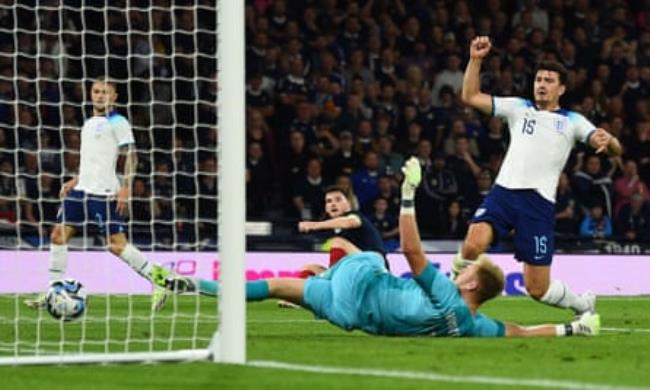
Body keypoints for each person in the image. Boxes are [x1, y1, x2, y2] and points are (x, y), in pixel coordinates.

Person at [155, 158, 600, 337]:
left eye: (466, 269)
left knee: (358, 255)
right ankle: (183, 285)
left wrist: (408, 193)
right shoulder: (470, 325)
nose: (460, 269)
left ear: (469, 280)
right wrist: (570, 330)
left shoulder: (447, 293)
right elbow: (519, 332)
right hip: (348, 315)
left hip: (363, 278)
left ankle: (184, 285)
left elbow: (410, 252)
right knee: (276, 287)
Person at [457, 36, 623, 316]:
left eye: (548, 80)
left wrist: (611, 140)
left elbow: (610, 146)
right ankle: (452, 298)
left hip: (538, 204)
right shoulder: (518, 108)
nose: (542, 85)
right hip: (504, 193)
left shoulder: (572, 121)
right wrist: (475, 60)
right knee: (473, 243)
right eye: (538, 79)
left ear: (562, 88)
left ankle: (582, 304)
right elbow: (471, 96)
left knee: (537, 289)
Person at [24, 78, 170, 311]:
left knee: (116, 245)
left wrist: (126, 187)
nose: (100, 96)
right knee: (57, 236)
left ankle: (159, 279)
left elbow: (131, 156)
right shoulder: (90, 123)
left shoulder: (118, 122)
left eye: (105, 92)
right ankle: (54, 290)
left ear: (114, 96)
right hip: (82, 191)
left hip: (104, 194)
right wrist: (76, 180)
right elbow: (92, 161)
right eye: (96, 91)